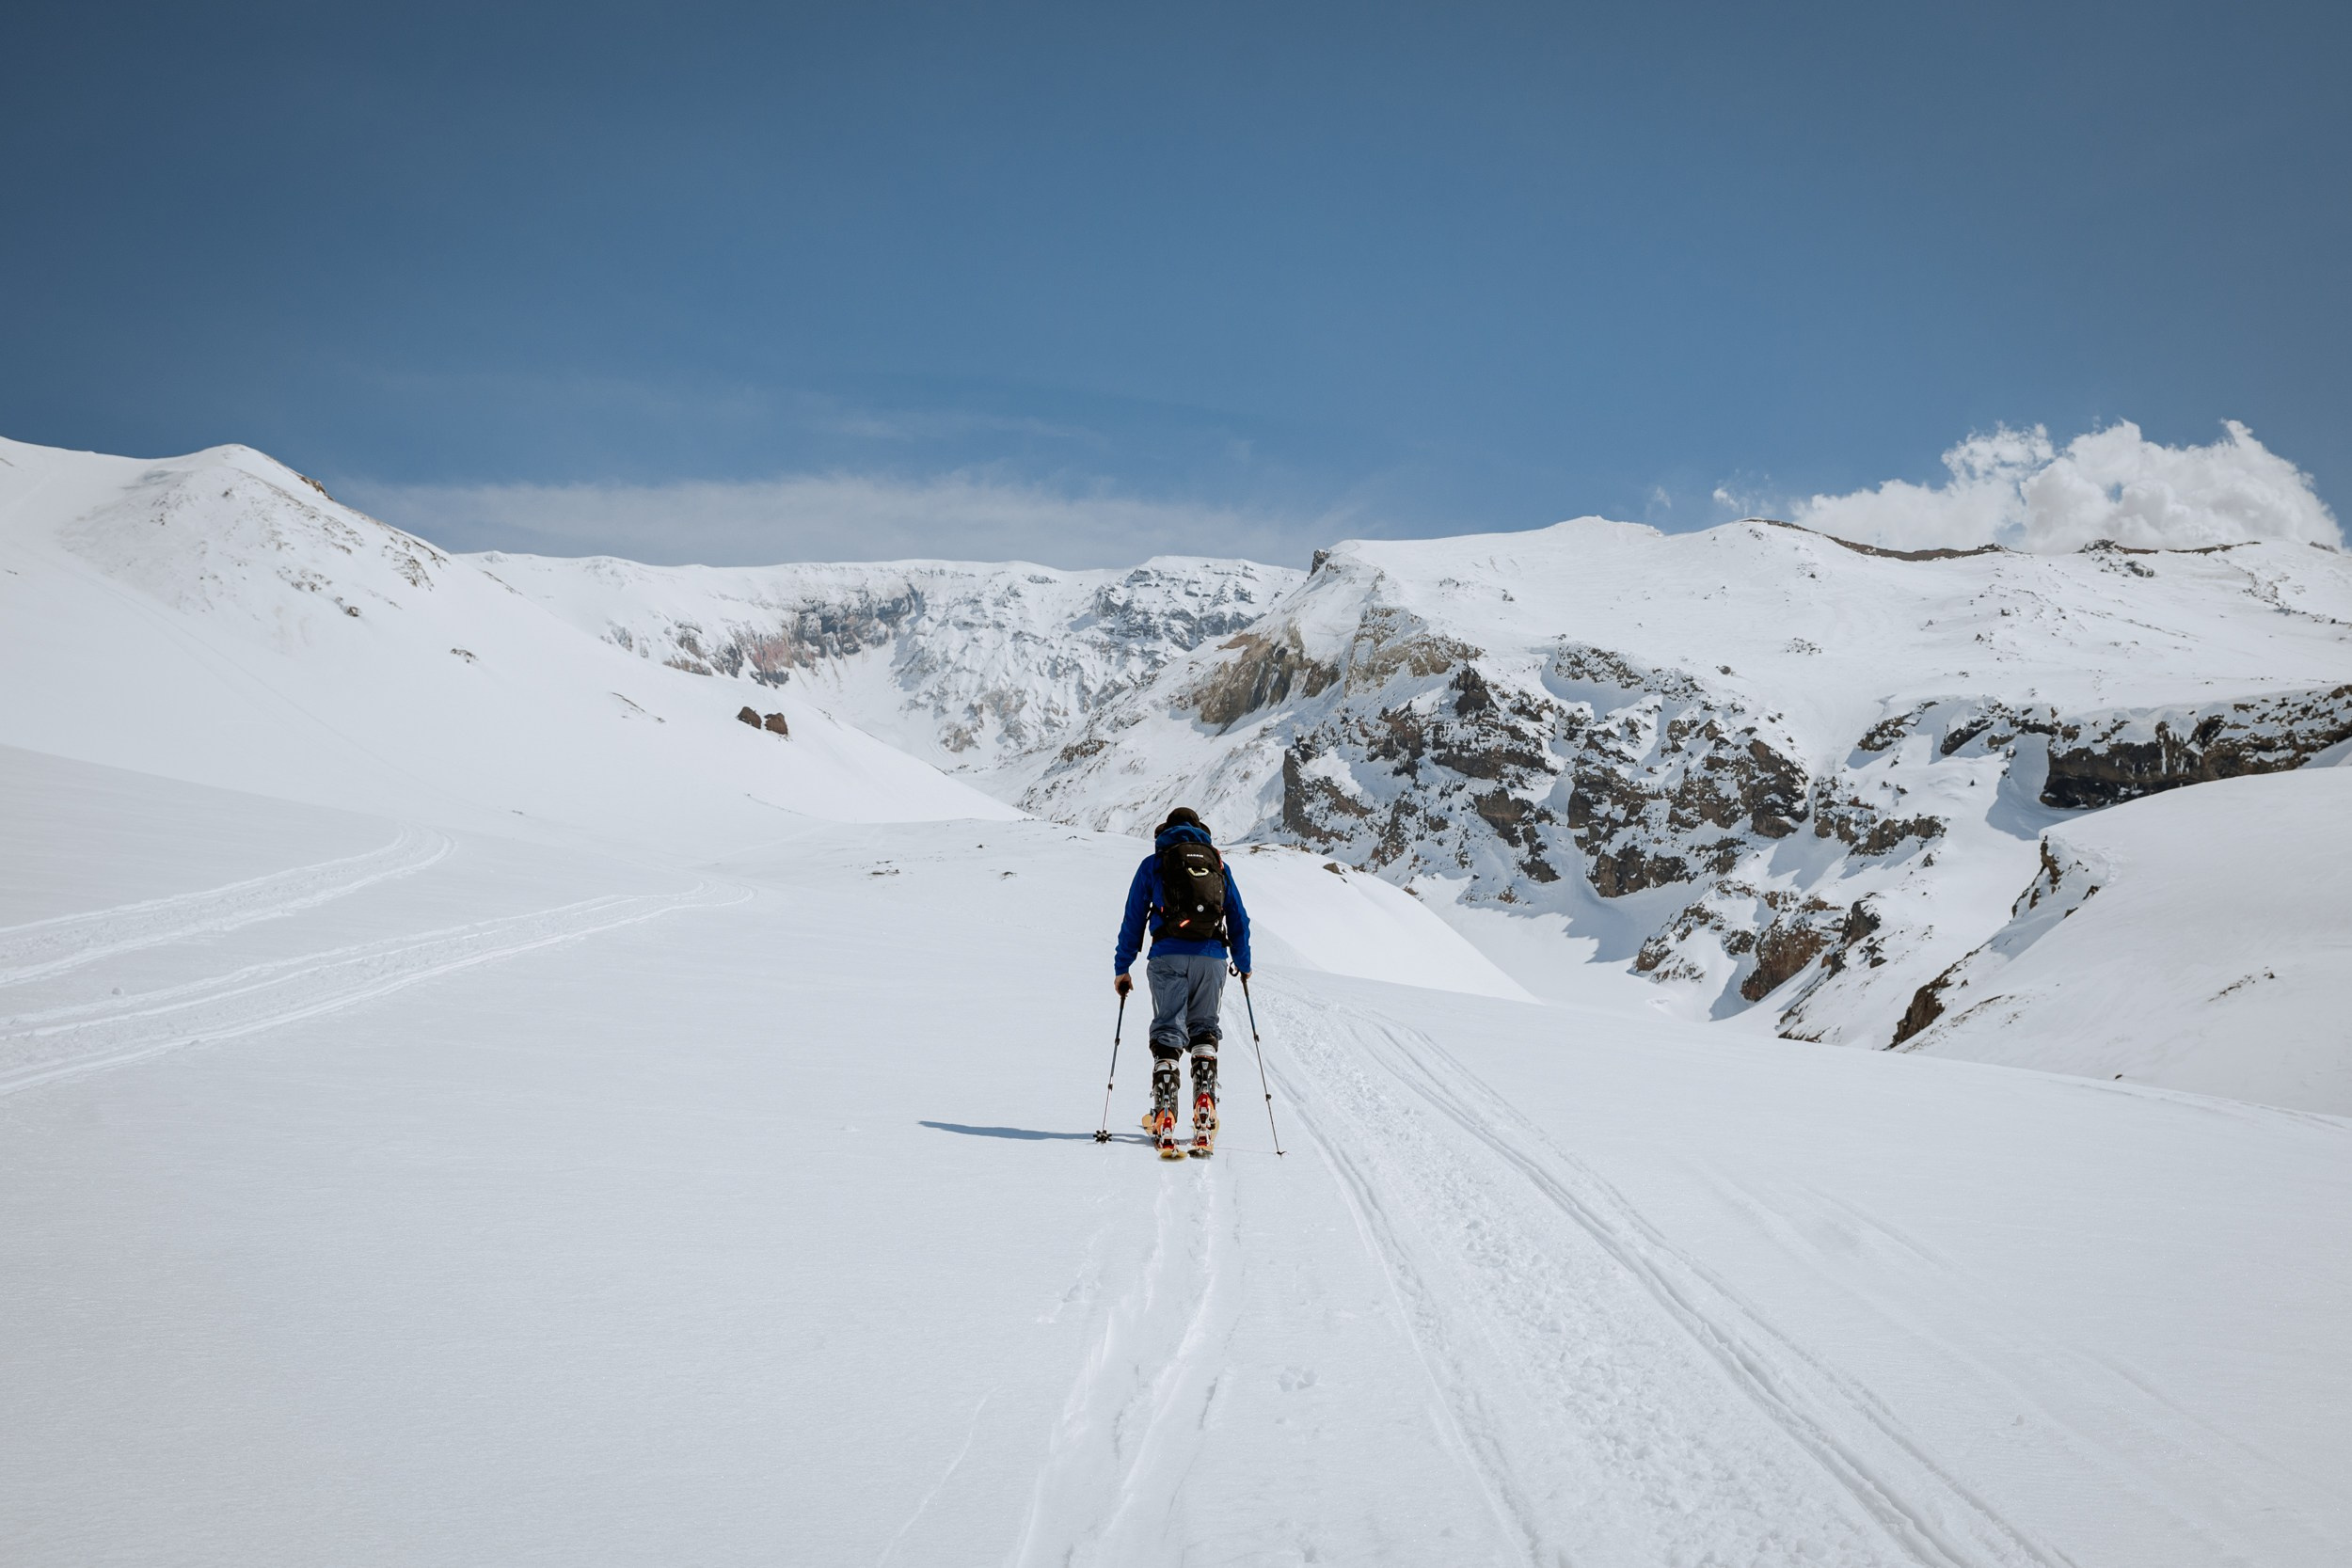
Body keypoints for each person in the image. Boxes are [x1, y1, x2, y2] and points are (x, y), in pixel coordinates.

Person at [1113, 806, 1252, 1156]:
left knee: (1168, 1032)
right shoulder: (1218, 864)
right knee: (1204, 1028)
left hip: (1167, 956)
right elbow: (1238, 917)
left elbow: (1133, 918)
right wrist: (1244, 963)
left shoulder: (1155, 863)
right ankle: (1204, 1105)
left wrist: (1122, 966)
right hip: (1212, 958)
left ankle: (1164, 1113)